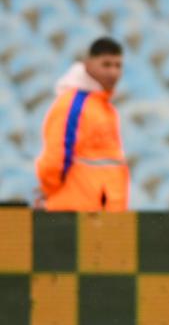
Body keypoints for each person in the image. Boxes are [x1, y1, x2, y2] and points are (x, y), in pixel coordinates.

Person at [36, 37, 129, 212]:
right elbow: (56, 158)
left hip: (102, 213)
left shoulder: (102, 106)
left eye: (118, 66)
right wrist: (51, 191)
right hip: (75, 212)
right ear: (87, 64)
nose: (113, 72)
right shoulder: (74, 105)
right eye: (106, 64)